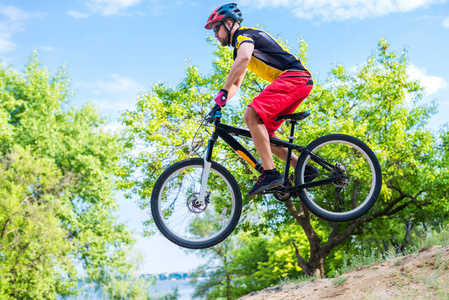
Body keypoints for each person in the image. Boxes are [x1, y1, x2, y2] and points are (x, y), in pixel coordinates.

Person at [205, 3, 314, 197]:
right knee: (267, 138)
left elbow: (245, 57)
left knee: (251, 114)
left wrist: (222, 90)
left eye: (216, 28)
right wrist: (219, 103)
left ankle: (271, 174)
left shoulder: (243, 36)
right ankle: (304, 169)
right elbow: (236, 83)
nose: (215, 34)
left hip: (295, 77)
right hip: (295, 82)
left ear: (229, 23)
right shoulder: (237, 49)